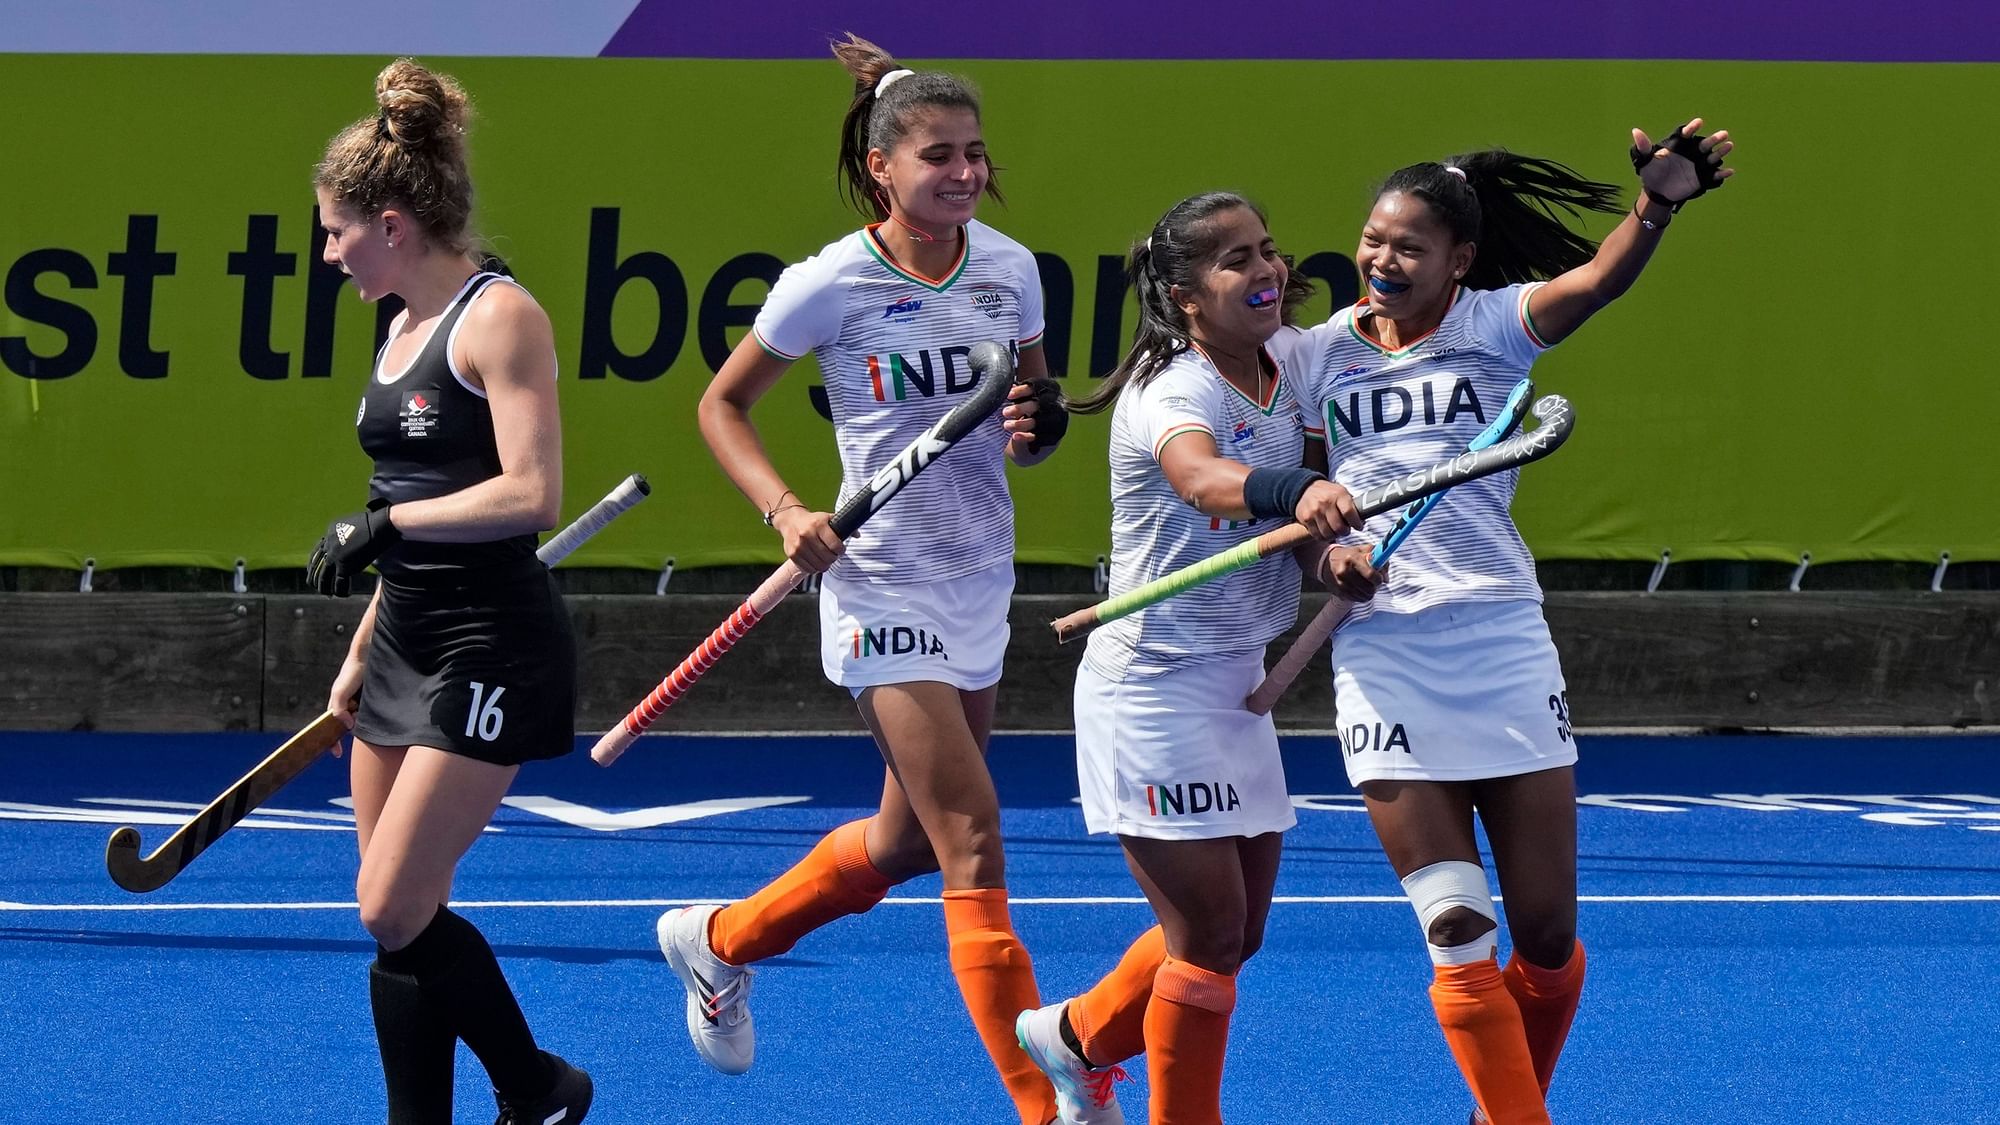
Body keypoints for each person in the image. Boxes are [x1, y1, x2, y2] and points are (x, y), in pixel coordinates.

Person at [663, 33, 1074, 1125]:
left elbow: (1026, 423)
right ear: (882, 168)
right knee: (974, 838)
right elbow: (721, 405)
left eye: (974, 154)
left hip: (978, 577)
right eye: (938, 155)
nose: (963, 173)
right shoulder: (829, 283)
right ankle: (1051, 1104)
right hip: (879, 584)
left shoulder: (1011, 269)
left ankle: (719, 940)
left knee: (902, 841)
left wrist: (1042, 423)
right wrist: (786, 510)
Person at [1289, 121, 1734, 1124]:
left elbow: (1596, 283)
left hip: (1497, 641)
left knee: (1541, 936)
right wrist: (1328, 553)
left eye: (1407, 247)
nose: (1380, 260)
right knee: (1455, 924)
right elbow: (1301, 496)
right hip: (1384, 651)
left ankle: (1503, 1108)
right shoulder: (1315, 358)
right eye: (1371, 240)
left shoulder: (1493, 325)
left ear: (1458, 261)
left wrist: (1652, 209)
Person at [1016, 192, 1365, 1125]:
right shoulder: (1173, 389)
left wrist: (1330, 554)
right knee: (1207, 933)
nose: (1265, 273)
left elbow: (1298, 535)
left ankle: (1077, 1038)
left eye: (1269, 251)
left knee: (1236, 933)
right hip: (1152, 686)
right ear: (1184, 297)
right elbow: (1202, 478)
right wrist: (1304, 489)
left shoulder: (1290, 365)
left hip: (1238, 680)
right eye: (1235, 262)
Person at [305, 58, 591, 1125]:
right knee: (398, 918)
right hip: (405, 639)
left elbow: (530, 493)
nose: (329, 253)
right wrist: (356, 652)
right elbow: (404, 500)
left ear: (391, 223)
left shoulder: (497, 316)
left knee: (391, 898)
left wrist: (383, 526)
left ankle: (538, 1084)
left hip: (490, 646)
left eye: (337, 232)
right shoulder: (395, 329)